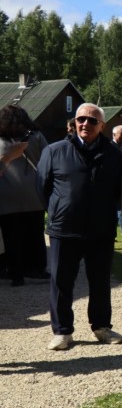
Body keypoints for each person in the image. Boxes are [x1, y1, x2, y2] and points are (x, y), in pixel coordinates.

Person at [36, 103, 122, 350]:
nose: (85, 124)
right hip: (64, 228)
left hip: (101, 229)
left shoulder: (116, 155)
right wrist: (58, 210)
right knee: (61, 281)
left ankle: (101, 327)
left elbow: (120, 192)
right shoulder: (55, 151)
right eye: (81, 119)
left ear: (102, 126)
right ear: (74, 123)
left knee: (100, 281)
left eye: (92, 120)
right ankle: (62, 331)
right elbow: (42, 186)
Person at [0, 104, 49, 286]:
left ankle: (15, 274)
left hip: (6, 195)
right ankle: (37, 269)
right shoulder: (36, 137)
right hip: (33, 194)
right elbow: (47, 160)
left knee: (11, 236)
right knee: (35, 234)